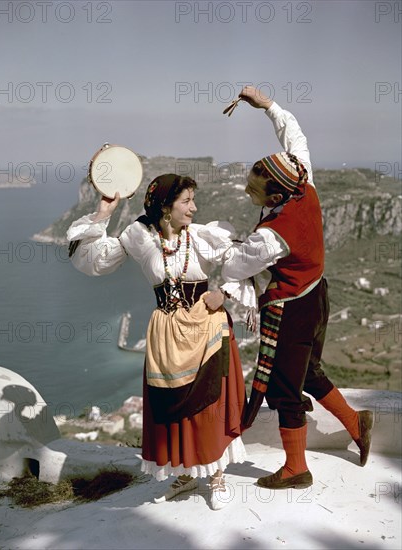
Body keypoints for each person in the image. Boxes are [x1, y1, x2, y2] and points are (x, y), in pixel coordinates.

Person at [217, 86, 374, 490]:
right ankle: (356, 422)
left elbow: (235, 265)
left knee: (283, 390)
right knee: (309, 373)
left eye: (254, 191)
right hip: (317, 296)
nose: (248, 194)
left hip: (291, 309)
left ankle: (295, 469)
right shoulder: (303, 181)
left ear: (275, 193)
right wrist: (267, 105)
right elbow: (295, 137)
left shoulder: (274, 236)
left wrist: (222, 240)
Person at [66, 174, 247, 510]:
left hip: (206, 329)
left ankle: (217, 475)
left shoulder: (204, 237)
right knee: (172, 408)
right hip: (167, 335)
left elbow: (249, 261)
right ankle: (188, 472)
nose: (194, 207)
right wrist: (103, 211)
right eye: (186, 201)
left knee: (209, 406)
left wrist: (224, 293)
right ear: (165, 206)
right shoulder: (138, 235)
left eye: (194, 199)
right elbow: (94, 260)